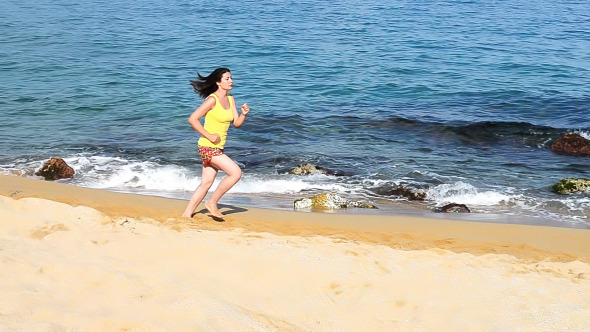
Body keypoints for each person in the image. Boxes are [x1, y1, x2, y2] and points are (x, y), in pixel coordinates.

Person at [182, 68, 250, 220]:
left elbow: (237, 123)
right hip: (207, 146)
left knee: (206, 183)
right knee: (236, 172)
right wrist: (209, 135)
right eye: (227, 78)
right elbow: (193, 119)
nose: (231, 81)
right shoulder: (212, 100)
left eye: (231, 78)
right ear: (218, 82)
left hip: (217, 147)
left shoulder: (231, 99)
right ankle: (212, 202)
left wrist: (244, 114)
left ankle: (186, 215)